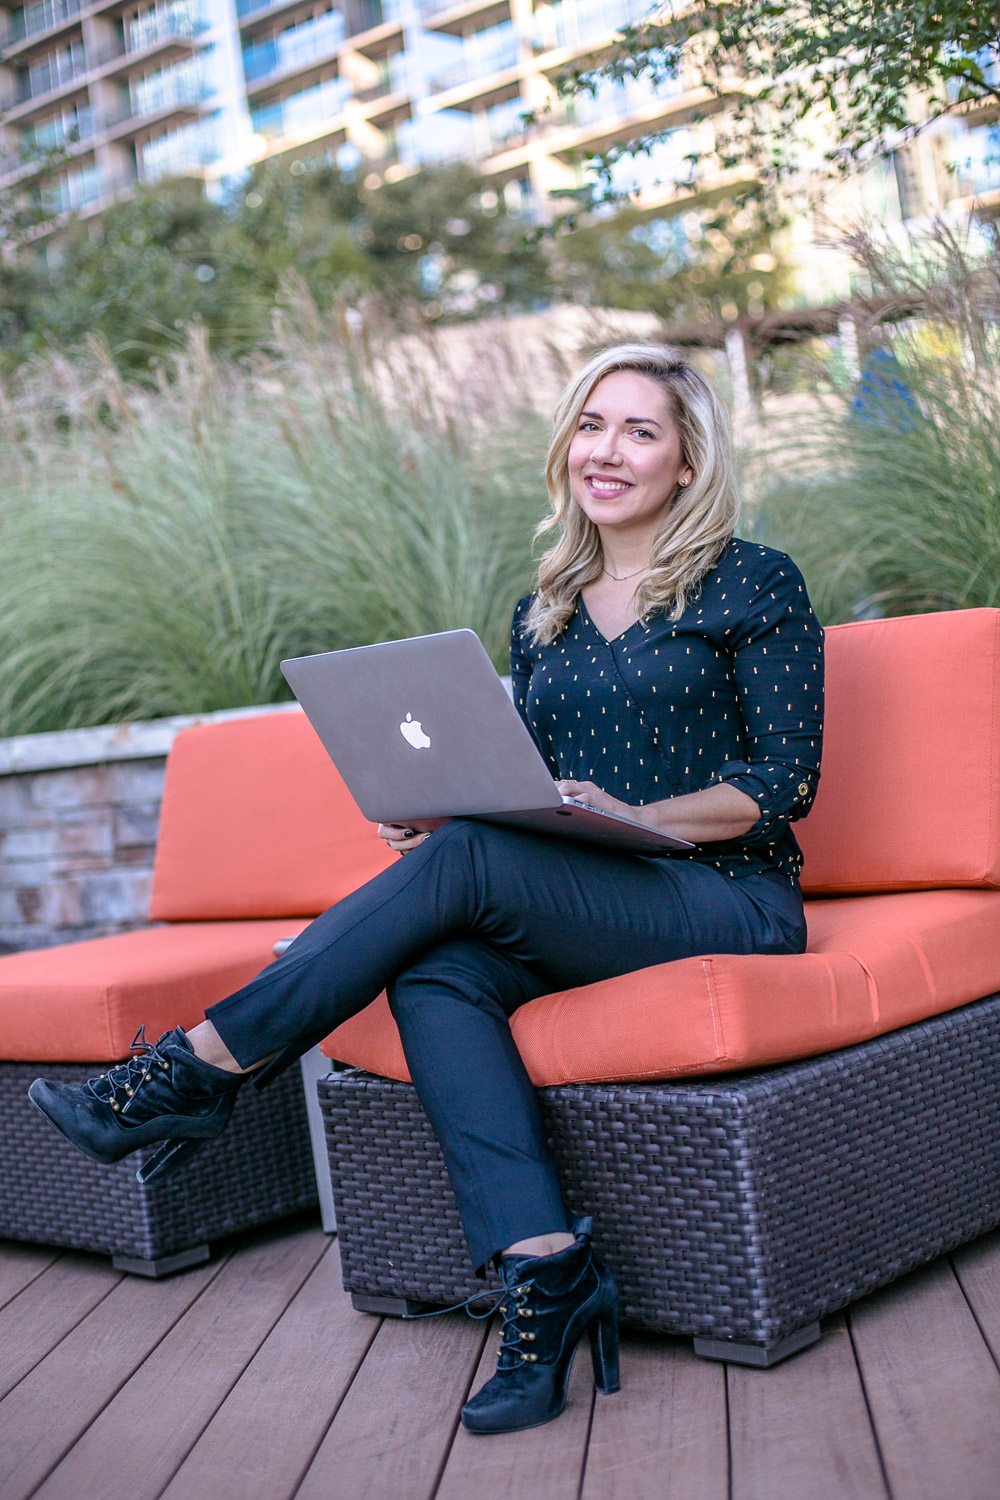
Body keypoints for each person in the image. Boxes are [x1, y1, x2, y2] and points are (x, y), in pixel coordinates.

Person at [29, 343, 824, 1435]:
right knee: (439, 970)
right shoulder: (541, 608)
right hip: (591, 897)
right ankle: (545, 1275)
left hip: (726, 899)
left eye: (640, 431)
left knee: (465, 873)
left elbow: (783, 784)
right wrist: (456, 806)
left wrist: (636, 820)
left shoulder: (753, 580)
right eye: (591, 425)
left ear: (688, 461)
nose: (607, 450)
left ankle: (195, 1068)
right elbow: (534, 794)